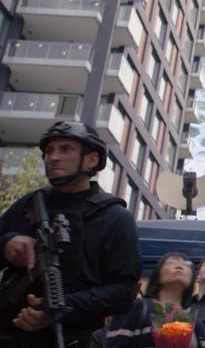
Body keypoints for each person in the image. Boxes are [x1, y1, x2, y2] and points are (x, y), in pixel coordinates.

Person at [0, 121, 141, 348]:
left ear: (91, 160)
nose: (53, 158)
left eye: (65, 149)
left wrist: (61, 307)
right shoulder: (29, 204)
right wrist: (7, 244)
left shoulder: (115, 217)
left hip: (73, 339)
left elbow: (124, 291)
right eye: (49, 151)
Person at [106, 251, 205, 347]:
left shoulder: (194, 319)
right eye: (171, 262)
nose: (179, 266)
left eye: (186, 265)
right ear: (157, 275)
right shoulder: (137, 307)